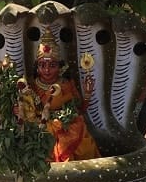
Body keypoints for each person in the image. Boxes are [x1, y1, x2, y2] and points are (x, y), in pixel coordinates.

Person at [20, 27, 100, 162]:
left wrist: (87, 93)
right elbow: (28, 113)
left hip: (67, 128)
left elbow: (80, 110)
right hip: (40, 128)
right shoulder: (31, 86)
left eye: (52, 65)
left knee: (78, 126)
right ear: (37, 67)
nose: (47, 70)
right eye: (42, 65)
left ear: (60, 66)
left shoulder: (66, 84)